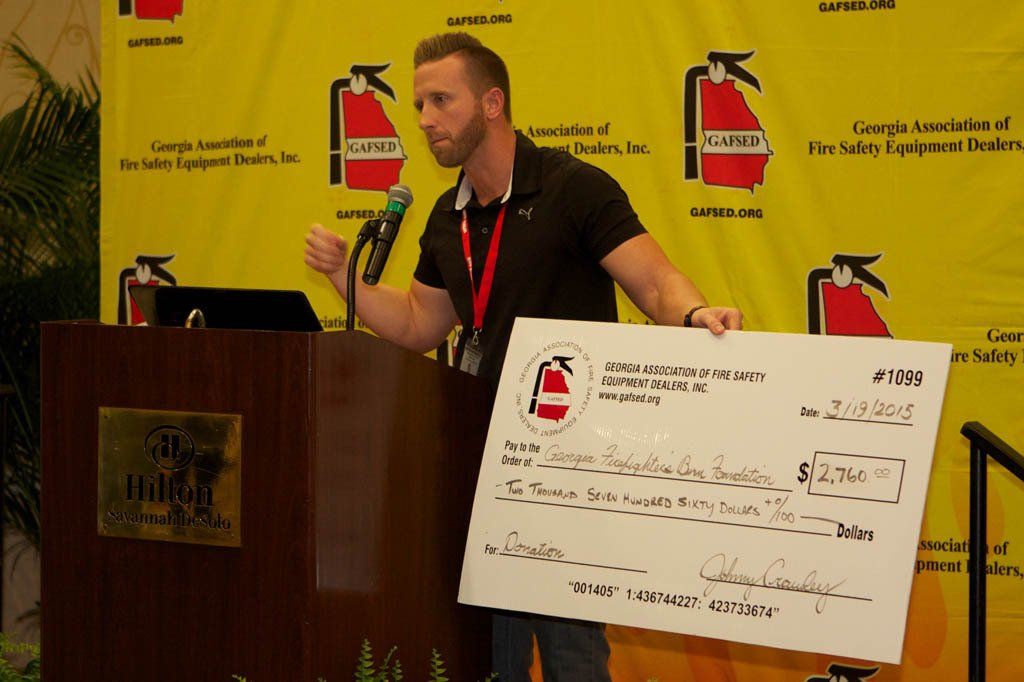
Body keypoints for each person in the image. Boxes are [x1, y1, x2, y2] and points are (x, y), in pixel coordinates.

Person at [306, 31, 742, 682]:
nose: (424, 118)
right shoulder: (445, 217)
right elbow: (422, 322)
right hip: (481, 462)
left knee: (570, 654)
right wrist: (348, 281)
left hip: (567, 464)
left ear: (491, 103)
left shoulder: (573, 189)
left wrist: (693, 313)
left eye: (440, 100)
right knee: (490, 656)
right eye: (419, 103)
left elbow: (654, 281)